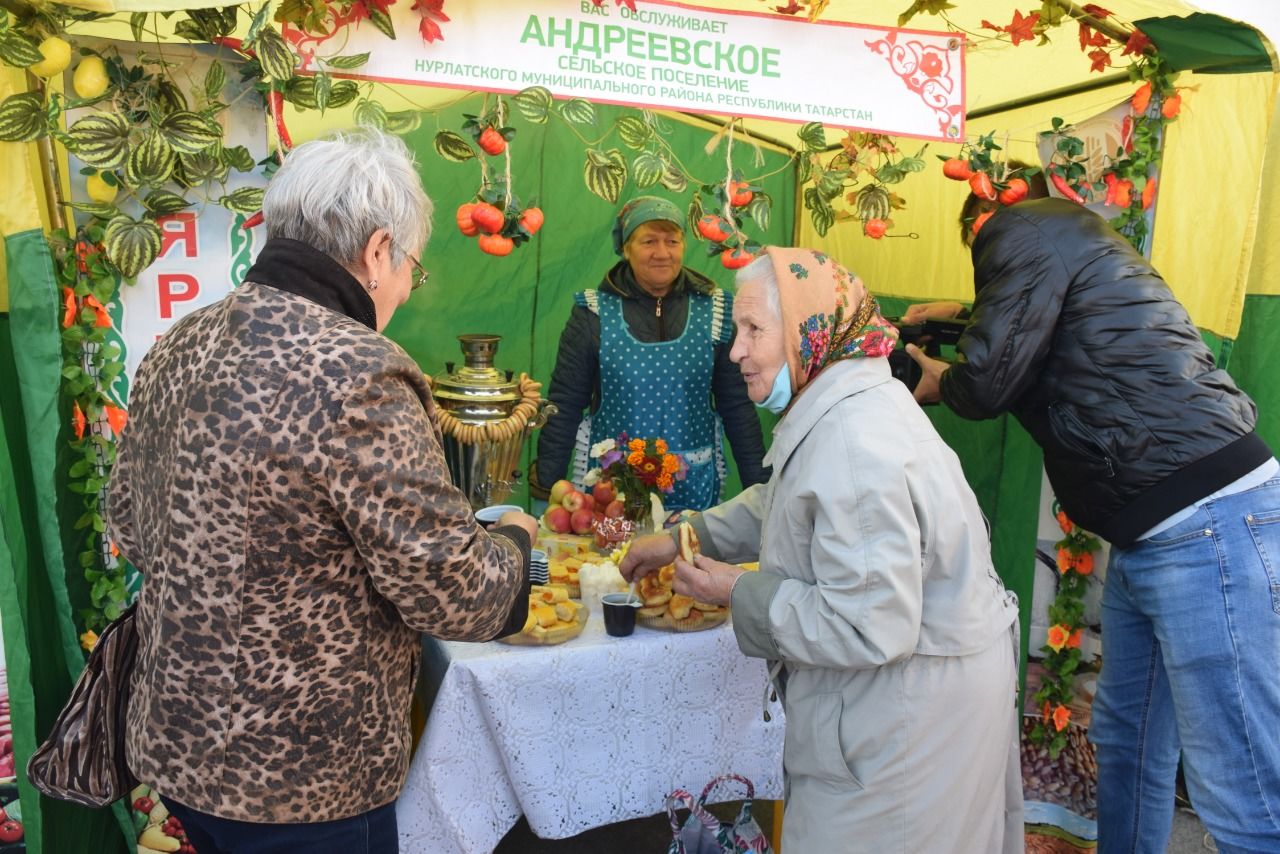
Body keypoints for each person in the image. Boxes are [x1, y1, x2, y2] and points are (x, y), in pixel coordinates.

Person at [105, 130, 538, 854]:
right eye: (410, 268)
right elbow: (456, 593)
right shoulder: (358, 371)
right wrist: (517, 539)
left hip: (179, 748)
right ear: (376, 251)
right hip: (302, 783)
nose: (403, 287)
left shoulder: (181, 341)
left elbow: (131, 520)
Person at [907, 197, 1280, 853]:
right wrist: (953, 320)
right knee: (1128, 741)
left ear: (985, 221)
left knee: (1240, 786)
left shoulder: (1018, 231)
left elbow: (988, 382)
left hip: (1202, 522)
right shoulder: (1068, 239)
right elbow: (1036, 334)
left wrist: (943, 380)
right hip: (1155, 530)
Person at [622, 247, 1024, 853]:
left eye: (754, 329)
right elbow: (787, 498)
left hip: (909, 726)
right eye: (737, 327)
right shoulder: (841, 400)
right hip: (916, 698)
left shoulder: (854, 441)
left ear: (812, 331)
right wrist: (686, 536)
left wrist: (737, 591)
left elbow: (871, 624)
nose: (735, 350)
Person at [532, 195, 768, 512]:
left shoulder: (716, 311)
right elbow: (565, 404)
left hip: (693, 490)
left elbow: (737, 408)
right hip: (613, 492)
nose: (662, 253)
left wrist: (764, 493)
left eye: (672, 240)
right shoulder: (593, 314)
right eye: (648, 241)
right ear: (626, 248)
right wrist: (547, 489)